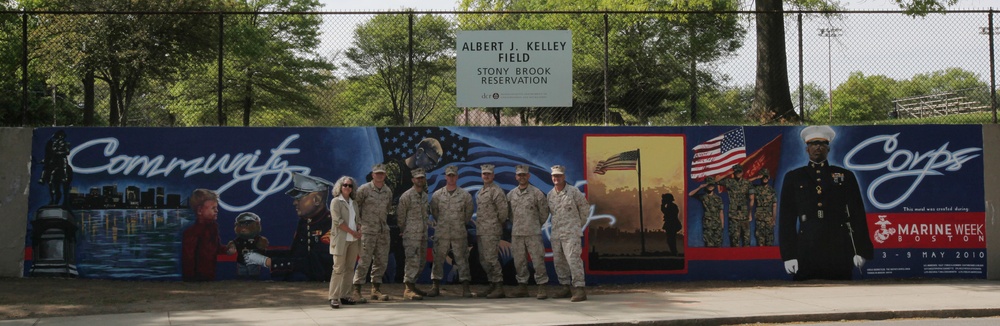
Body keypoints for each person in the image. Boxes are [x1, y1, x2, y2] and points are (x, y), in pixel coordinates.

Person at [779, 125, 874, 281]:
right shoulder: (794, 177)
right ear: (807, 149)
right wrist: (789, 255)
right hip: (806, 249)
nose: (818, 147)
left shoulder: (845, 176)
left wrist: (860, 250)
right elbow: (786, 220)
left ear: (828, 149)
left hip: (838, 248)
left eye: (822, 144)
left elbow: (857, 215)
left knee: (842, 293)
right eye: (813, 144)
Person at [243, 173, 335, 282]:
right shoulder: (305, 222)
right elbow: (296, 254)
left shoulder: (331, 225)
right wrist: (261, 253)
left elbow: (316, 265)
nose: (294, 202)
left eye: (299, 198)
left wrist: (269, 262)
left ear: (317, 199)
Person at [428, 165, 474, 297]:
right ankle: (435, 286)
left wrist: (458, 223)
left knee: (462, 259)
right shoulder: (437, 195)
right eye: (449, 175)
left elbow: (468, 214)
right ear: (445, 177)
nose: (451, 178)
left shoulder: (465, 195)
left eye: (453, 175)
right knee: (438, 259)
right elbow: (435, 212)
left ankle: (465, 288)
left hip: (459, 232)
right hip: (442, 232)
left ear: (457, 177)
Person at [506, 164, 551, 299]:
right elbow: (508, 214)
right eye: (519, 175)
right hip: (517, 233)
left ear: (528, 176)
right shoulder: (511, 195)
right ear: (516, 177)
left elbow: (544, 213)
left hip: (533, 233)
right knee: (519, 261)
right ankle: (522, 286)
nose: (522, 177)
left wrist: (535, 224)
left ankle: (542, 286)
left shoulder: (537, 193)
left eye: (524, 174)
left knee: (538, 260)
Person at [546, 165, 590, 302]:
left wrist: (577, 225)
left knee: (573, 260)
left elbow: (585, 209)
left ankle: (579, 289)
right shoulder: (550, 194)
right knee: (559, 262)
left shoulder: (573, 191)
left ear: (564, 177)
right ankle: (564, 287)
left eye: (558, 175)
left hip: (571, 233)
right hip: (557, 234)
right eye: (554, 176)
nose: (556, 178)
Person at [353, 164, 393, 302]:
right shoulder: (364, 190)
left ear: (385, 175)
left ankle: (376, 289)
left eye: (382, 173)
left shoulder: (388, 191)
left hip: (382, 231)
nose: (380, 175)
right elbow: (355, 208)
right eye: (377, 173)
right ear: (372, 175)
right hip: (367, 231)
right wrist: (358, 225)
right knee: (364, 261)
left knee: (381, 261)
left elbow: (387, 208)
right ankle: (356, 289)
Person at [474, 164, 510, 299]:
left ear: (493, 175)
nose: (486, 176)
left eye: (489, 174)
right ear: (481, 175)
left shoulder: (496, 191)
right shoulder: (481, 192)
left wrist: (495, 225)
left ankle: (499, 285)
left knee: (491, 258)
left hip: (491, 230)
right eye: (484, 174)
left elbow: (503, 212)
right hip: (481, 231)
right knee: (483, 259)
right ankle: (492, 284)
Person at [182, 189, 233, 282]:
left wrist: (228, 250)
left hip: (209, 277)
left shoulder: (213, 228)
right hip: (197, 279)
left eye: (216, 207)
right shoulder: (192, 233)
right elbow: (189, 259)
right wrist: (190, 279)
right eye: (213, 208)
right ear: (200, 210)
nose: (216, 210)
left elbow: (215, 249)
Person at [328, 176, 363, 309]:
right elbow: (338, 222)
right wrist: (352, 231)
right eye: (345, 185)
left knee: (349, 269)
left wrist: (359, 228)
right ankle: (333, 297)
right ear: (340, 187)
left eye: (350, 186)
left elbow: (357, 219)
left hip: (353, 241)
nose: (347, 188)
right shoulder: (336, 202)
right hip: (341, 240)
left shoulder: (353, 203)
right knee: (338, 269)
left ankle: (345, 295)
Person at [397, 168, 430, 300]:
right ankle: (408, 289)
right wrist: (404, 230)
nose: (420, 180)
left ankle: (413, 285)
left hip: (423, 234)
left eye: (422, 178)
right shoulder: (407, 196)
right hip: (411, 234)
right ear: (412, 180)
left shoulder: (425, 196)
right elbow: (401, 216)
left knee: (421, 261)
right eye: (417, 178)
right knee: (412, 260)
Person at [718, 164, 753, 247]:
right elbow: (715, 181)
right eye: (736, 171)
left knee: (746, 241)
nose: (738, 173)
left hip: (745, 216)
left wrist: (750, 213)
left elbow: (752, 199)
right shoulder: (729, 182)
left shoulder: (747, 183)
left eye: (739, 171)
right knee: (734, 241)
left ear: (742, 172)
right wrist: (728, 173)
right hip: (733, 216)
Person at [226, 212, 269, 279]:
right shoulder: (238, 240)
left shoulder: (257, 239)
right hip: (241, 262)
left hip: (253, 263)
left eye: (247, 225)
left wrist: (261, 247)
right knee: (242, 276)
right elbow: (233, 245)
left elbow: (263, 248)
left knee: (254, 275)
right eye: (241, 225)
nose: (243, 228)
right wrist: (231, 248)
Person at [38, 130, 72, 207]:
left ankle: (65, 176)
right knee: (47, 165)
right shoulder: (54, 143)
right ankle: (42, 178)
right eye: (59, 135)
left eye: (61, 135)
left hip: (61, 158)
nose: (60, 137)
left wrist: (59, 153)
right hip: (54, 158)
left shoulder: (66, 143)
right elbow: (51, 151)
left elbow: (67, 152)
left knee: (64, 164)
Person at [689, 176, 723, 247]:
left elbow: (721, 212)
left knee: (718, 245)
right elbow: (690, 194)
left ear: (714, 186)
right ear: (706, 185)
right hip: (708, 224)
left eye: (712, 185)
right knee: (709, 244)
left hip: (717, 224)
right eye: (709, 185)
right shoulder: (703, 196)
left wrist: (722, 225)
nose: (710, 186)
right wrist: (700, 187)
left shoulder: (718, 198)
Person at [751, 169, 777, 246]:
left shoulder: (772, 190)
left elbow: (774, 205)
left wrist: (774, 218)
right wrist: (756, 177)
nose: (765, 178)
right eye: (763, 177)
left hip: (769, 217)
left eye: (766, 177)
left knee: (769, 240)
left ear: (769, 177)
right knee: (760, 240)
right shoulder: (756, 188)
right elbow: (745, 183)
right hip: (759, 217)